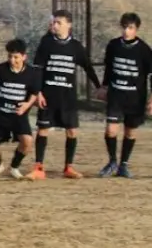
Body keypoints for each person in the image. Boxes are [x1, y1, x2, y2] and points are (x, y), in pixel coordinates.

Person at [29, 10, 100, 180]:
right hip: (48, 96)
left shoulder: (76, 46)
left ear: (69, 24)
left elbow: (88, 67)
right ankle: (39, 167)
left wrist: (99, 86)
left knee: (72, 132)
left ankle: (68, 167)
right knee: (43, 129)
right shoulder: (46, 43)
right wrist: (37, 92)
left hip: (67, 97)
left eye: (59, 22)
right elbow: (37, 70)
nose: (55, 25)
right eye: (53, 22)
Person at [97, 13, 152, 178]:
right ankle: (112, 161)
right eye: (124, 27)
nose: (126, 31)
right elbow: (109, 68)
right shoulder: (113, 45)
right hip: (116, 95)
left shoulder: (144, 50)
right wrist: (104, 86)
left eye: (130, 28)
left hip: (135, 98)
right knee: (111, 130)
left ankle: (123, 165)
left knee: (130, 132)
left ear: (136, 29)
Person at [0, 39, 40, 180]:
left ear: (24, 57)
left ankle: (14, 167)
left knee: (27, 141)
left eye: (16, 57)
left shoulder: (32, 73)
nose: (12, 60)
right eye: (10, 56)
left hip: (18, 114)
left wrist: (26, 105)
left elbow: (34, 93)